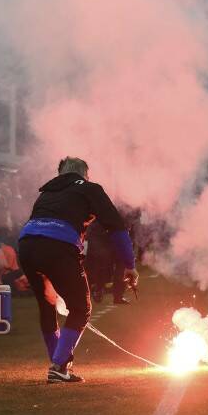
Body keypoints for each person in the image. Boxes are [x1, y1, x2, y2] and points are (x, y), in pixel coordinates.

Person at [18, 157, 138, 383]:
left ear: (60, 173)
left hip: (27, 245)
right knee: (81, 308)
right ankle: (59, 365)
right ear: (85, 174)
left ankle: (58, 364)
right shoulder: (90, 188)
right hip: (58, 247)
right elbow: (116, 226)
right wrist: (130, 265)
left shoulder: (47, 192)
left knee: (47, 305)